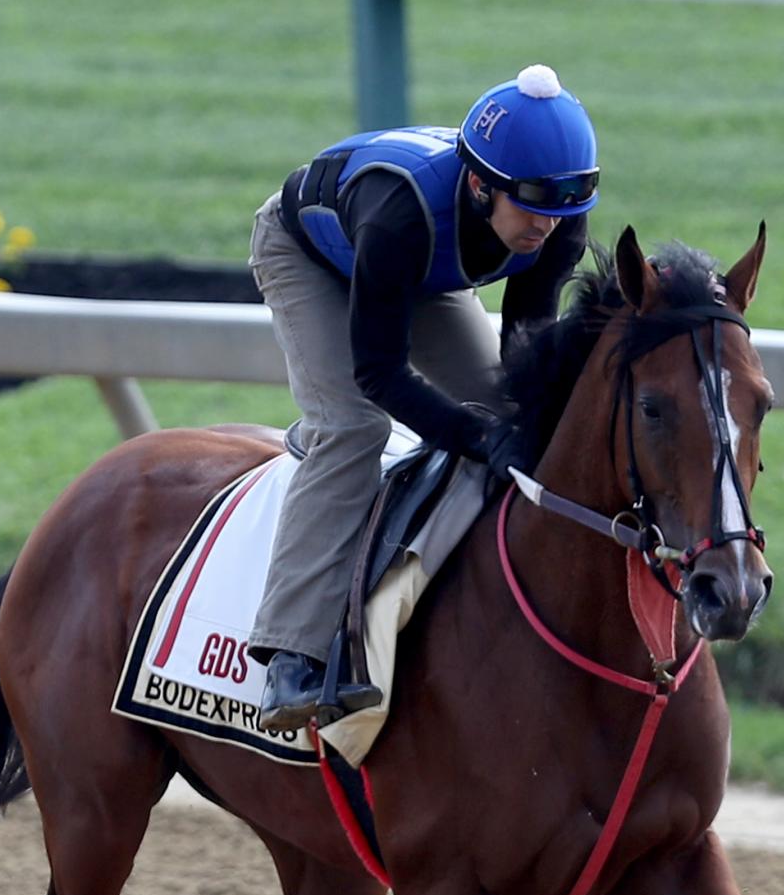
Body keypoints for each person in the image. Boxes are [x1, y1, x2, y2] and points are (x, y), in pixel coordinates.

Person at [248, 65, 600, 735]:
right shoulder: (402, 214)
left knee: (507, 413)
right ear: (478, 185)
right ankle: (290, 657)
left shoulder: (556, 222)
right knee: (353, 427)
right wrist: (472, 439)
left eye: (561, 213)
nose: (544, 230)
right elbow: (378, 373)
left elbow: (524, 358)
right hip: (313, 256)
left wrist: (508, 427)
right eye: (530, 209)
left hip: (421, 271)